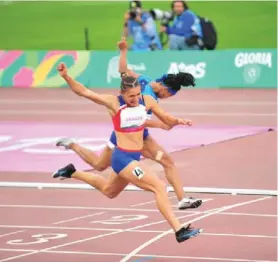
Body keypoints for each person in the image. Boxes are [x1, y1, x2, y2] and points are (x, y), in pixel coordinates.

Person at [52, 63, 202, 243]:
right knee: (159, 187)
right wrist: (66, 77)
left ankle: (72, 172)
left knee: (109, 191)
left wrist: (178, 121)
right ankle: (179, 230)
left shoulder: (147, 100)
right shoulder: (113, 103)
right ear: (122, 94)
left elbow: (166, 118)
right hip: (122, 158)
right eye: (131, 96)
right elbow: (84, 92)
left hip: (134, 157)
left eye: (138, 94)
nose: (135, 99)